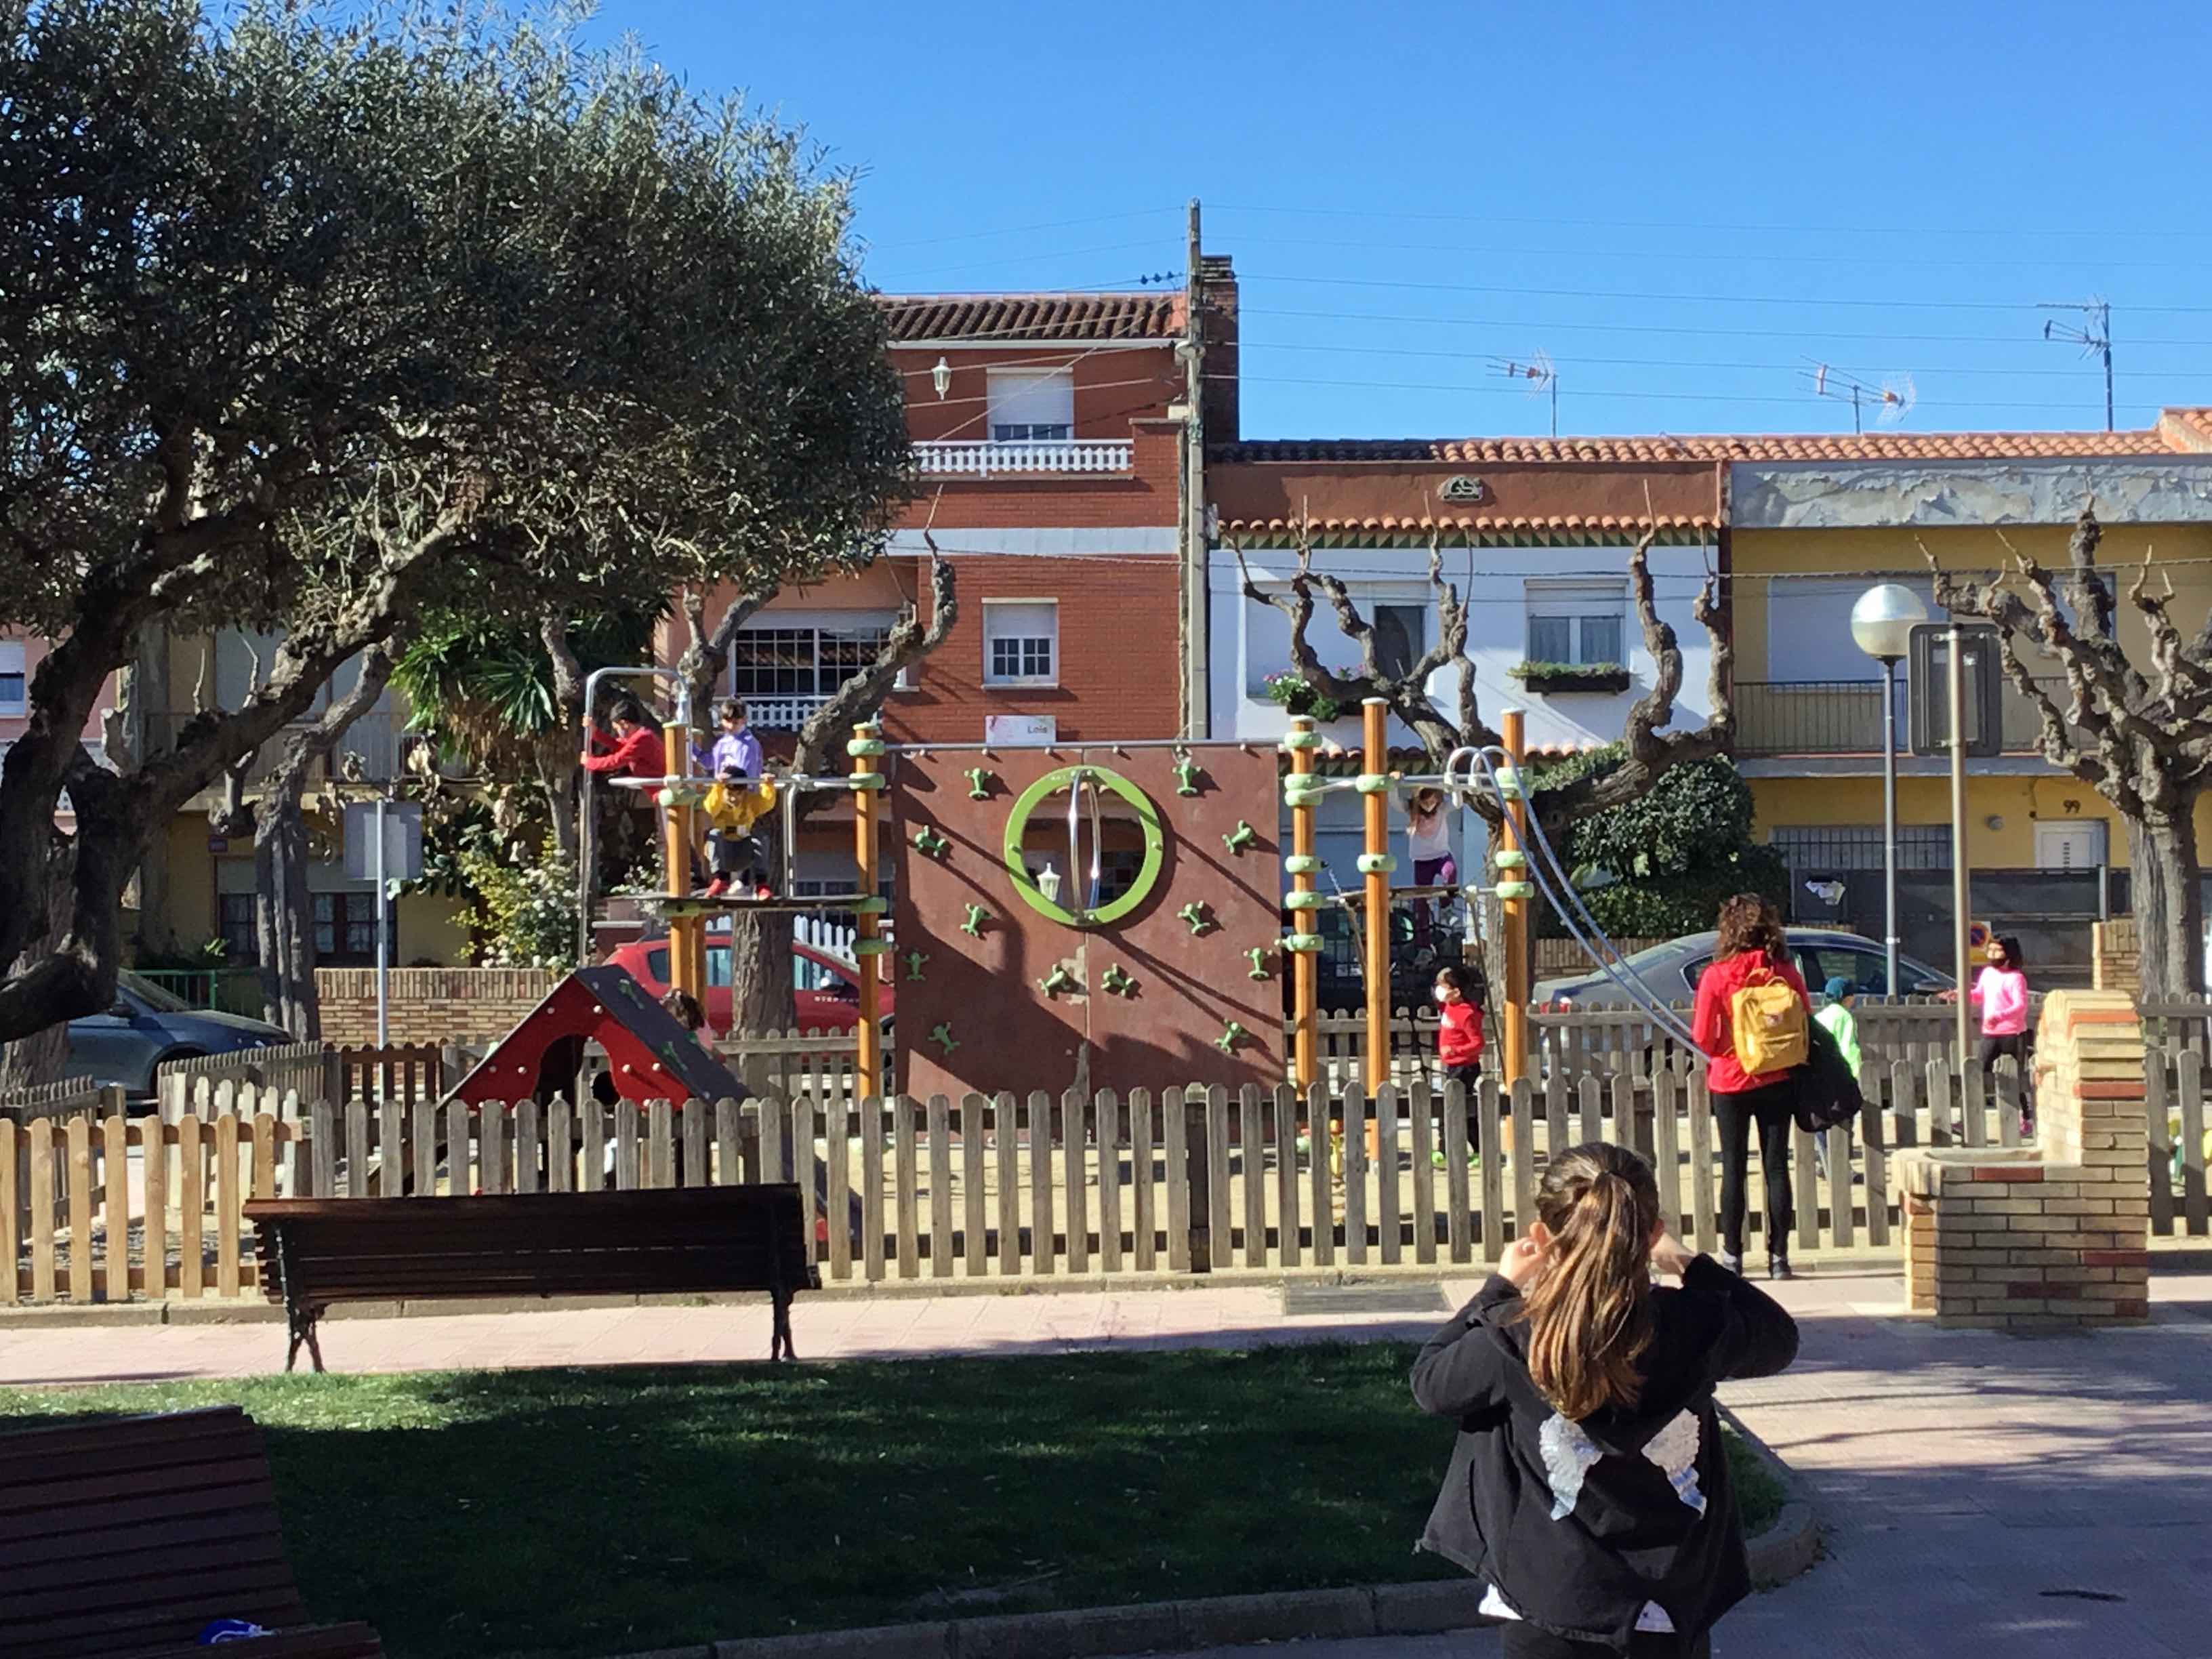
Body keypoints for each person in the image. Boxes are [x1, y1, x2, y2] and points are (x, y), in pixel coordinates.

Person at [1411, 1143, 1799, 1658]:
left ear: (1544, 1235)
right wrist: (1690, 1263)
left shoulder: (1514, 1337)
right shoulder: (1698, 1324)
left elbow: (1430, 1383)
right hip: (1668, 1604)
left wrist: (1499, 1288)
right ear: (1653, 1232)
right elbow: (1778, 1337)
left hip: (1549, 1601)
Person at [1690, 895, 1809, 1280]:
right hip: (1778, 1076)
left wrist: (1723, 1050)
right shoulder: (1785, 972)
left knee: (1734, 1168)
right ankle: (1779, 1257)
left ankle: (1733, 1256)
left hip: (1731, 1079)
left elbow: (1702, 1036)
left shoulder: (1717, 975)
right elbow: (1805, 1018)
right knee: (1776, 1167)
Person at [1971, 935, 2034, 1132]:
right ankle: (1968, 1117)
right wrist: (1961, 995)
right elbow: (1979, 995)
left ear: (2009, 954)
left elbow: (2020, 1006)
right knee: (1978, 1072)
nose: (1992, 955)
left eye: (1997, 951)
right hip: (1990, 1033)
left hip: (2012, 1033)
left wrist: (2000, 1016)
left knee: (2013, 1076)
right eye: (1990, 950)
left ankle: (2025, 1119)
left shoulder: (2016, 978)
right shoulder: (1988, 974)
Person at [1431, 963, 1486, 1170]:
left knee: (1456, 1108)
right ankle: (1450, 1149)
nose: (1439, 989)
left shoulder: (1466, 1014)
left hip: (1464, 1067)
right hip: (1453, 1066)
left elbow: (1477, 1043)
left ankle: (1451, 1150)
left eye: (1444, 986)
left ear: (1456, 992)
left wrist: (1456, 1051)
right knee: (1455, 1107)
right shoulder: (1449, 1007)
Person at [700, 764, 779, 899]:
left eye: (739, 794)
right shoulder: (718, 799)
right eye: (730, 794)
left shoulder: (749, 802)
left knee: (761, 837)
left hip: (743, 851)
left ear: (745, 792)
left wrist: (768, 786)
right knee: (714, 834)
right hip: (723, 852)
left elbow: (766, 804)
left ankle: (761, 884)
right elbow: (711, 807)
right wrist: (718, 786)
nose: (734, 799)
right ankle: (720, 879)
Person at [1811, 976, 1860, 1183]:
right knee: (1844, 1121)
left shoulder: (1820, 1016)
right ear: (1847, 998)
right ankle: (1841, 1167)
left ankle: (1824, 1163)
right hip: (1840, 1075)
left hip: (1820, 1076)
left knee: (1823, 1121)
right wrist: (1854, 1074)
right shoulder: (1845, 1017)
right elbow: (1848, 1047)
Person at [1407, 787, 1456, 948]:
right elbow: (1394, 802)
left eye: (1432, 802)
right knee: (1421, 902)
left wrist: (1455, 787)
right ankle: (1424, 945)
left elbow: (1458, 802)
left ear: (1438, 800)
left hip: (1441, 855)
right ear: (1419, 801)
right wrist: (1393, 786)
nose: (1429, 806)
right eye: (1425, 802)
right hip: (1422, 860)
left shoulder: (1442, 810)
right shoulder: (1412, 810)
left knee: (1450, 872)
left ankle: (1446, 906)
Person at [580, 697, 667, 781]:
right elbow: (619, 745)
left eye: (617, 728)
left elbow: (616, 761)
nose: (617, 732)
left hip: (659, 788)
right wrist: (595, 732)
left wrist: (589, 762)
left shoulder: (642, 738)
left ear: (624, 724)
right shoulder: (639, 736)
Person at [695, 697, 765, 782]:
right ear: (721, 720)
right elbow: (710, 763)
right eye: (727, 721)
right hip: (722, 788)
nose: (731, 726)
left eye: (735, 722)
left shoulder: (748, 744)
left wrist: (728, 777)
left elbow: (745, 777)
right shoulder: (724, 741)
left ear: (744, 720)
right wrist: (690, 747)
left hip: (740, 789)